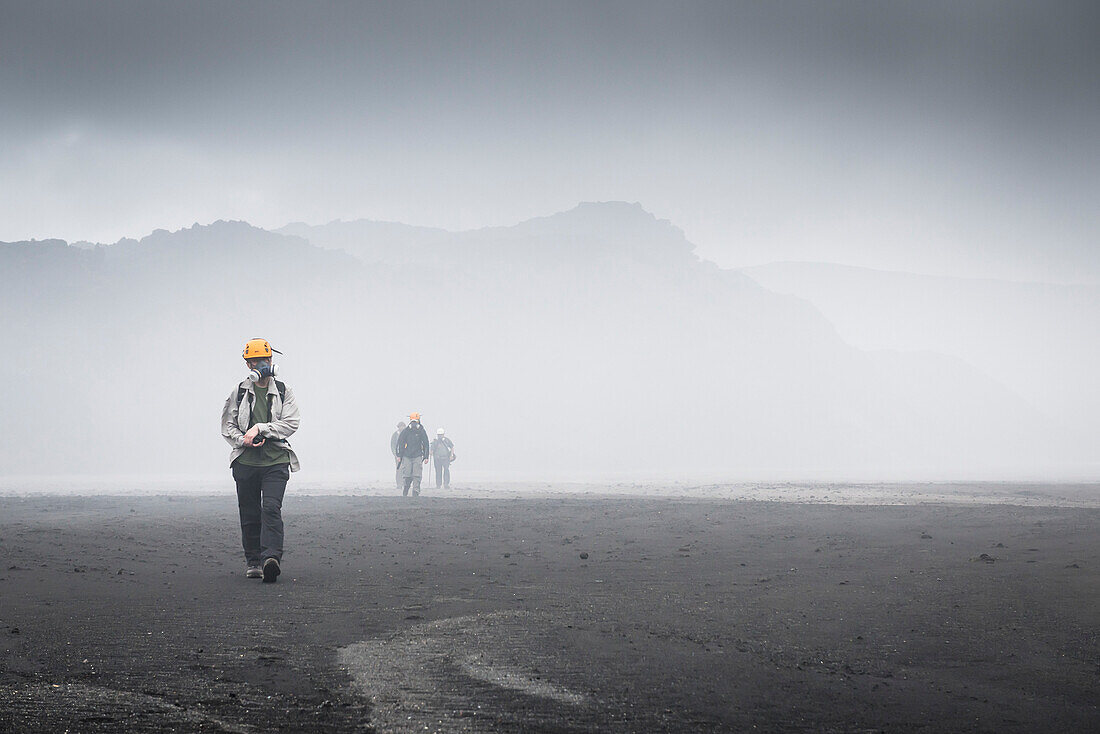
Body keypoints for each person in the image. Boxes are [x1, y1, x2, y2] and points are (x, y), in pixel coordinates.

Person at [220, 338, 301, 583]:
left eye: (262, 360)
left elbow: (291, 423)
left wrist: (261, 428)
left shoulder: (284, 391)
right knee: (250, 513)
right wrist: (243, 439)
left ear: (271, 361)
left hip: (276, 461)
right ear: (248, 364)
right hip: (246, 463)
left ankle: (271, 558)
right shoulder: (240, 391)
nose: (259, 364)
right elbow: (227, 425)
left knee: (271, 508)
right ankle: (253, 561)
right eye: (253, 361)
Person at [395, 413, 429, 496]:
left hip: (417, 456)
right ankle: (405, 490)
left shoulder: (421, 431)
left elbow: (426, 443)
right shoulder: (406, 431)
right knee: (407, 474)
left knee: (417, 475)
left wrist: (426, 456)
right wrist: (399, 455)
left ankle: (415, 492)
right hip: (407, 456)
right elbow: (400, 443)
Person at [390, 421, 406, 490]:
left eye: (403, 426)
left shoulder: (407, 433)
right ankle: (399, 484)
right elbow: (392, 445)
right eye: (400, 426)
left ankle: (405, 483)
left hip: (406, 455)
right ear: (398, 427)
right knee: (399, 469)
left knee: (406, 469)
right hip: (398, 455)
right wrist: (395, 454)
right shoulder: (395, 435)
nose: (402, 427)